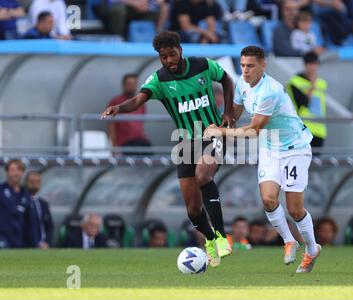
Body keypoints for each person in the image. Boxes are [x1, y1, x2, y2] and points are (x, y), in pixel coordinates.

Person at [101, 31, 235, 267]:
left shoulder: (202, 65)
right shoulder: (159, 79)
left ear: (180, 50)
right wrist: (119, 108)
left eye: (172, 54)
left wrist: (228, 112)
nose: (169, 60)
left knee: (203, 175)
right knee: (193, 209)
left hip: (212, 133)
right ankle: (211, 240)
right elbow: (138, 100)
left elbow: (227, 79)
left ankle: (223, 237)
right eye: (164, 57)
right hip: (185, 142)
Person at [205, 45, 321, 273]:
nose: (245, 70)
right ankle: (289, 240)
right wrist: (222, 124)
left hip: (294, 148)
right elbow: (236, 113)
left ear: (263, 66)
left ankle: (311, 248)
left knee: (295, 209)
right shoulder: (242, 84)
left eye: (250, 66)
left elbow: (254, 130)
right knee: (268, 199)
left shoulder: (270, 90)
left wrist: (221, 133)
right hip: (270, 148)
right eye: (243, 66)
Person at [286, 51, 327, 156]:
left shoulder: (321, 83)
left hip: (319, 130)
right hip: (302, 129)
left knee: (316, 164)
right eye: (310, 64)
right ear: (305, 65)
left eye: (315, 64)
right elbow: (302, 102)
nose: (313, 68)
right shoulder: (295, 82)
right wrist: (311, 87)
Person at [107, 73, 152, 156]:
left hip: (141, 140)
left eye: (134, 83)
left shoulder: (140, 102)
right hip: (125, 142)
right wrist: (114, 146)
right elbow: (111, 126)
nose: (132, 86)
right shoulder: (116, 102)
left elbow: (141, 124)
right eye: (129, 84)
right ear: (123, 85)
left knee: (151, 157)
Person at [0, 159, 38, 249]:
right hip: (3, 237)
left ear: (22, 173)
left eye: (18, 170)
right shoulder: (1, 191)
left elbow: (31, 219)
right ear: (7, 172)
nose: (15, 173)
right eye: (12, 170)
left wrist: (35, 241)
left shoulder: (25, 193)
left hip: (20, 238)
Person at [25, 171, 54, 249]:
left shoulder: (43, 203)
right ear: (26, 183)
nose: (34, 184)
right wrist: (36, 243)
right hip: (28, 245)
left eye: (37, 181)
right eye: (31, 181)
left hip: (45, 245)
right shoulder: (23, 201)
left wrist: (48, 242)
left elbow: (49, 226)